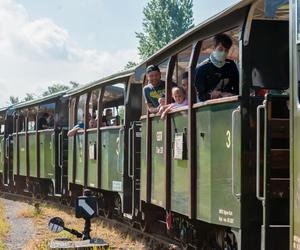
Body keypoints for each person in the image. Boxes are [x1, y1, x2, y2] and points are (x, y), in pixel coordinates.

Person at [194, 34, 239, 102]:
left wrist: (231, 94)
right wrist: (213, 96)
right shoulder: (202, 68)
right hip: (210, 109)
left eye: (226, 50)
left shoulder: (231, 65)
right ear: (214, 48)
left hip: (230, 105)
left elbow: (238, 88)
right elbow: (200, 96)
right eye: (220, 49)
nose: (223, 53)